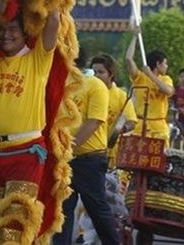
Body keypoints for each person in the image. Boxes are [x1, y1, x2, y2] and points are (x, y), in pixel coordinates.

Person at [0, 10, 59, 244]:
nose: (6, 35)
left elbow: (53, 20)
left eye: (13, 29)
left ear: (25, 32)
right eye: (3, 29)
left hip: (26, 153)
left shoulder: (37, 59)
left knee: (15, 225)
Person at [54, 53, 120, 245]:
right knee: (62, 212)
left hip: (89, 160)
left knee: (97, 209)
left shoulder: (95, 85)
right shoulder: (61, 85)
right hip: (65, 159)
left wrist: (70, 147)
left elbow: (94, 121)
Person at [125, 33, 174, 145]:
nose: (167, 66)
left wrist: (150, 75)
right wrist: (135, 36)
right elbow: (128, 59)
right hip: (140, 125)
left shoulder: (166, 79)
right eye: (165, 63)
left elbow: (168, 91)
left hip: (159, 127)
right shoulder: (140, 77)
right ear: (158, 64)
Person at [89, 54, 137, 167]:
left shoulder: (121, 96)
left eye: (101, 72)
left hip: (110, 153)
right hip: (88, 150)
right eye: (94, 72)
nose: (96, 76)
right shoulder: (88, 93)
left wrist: (119, 129)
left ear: (111, 74)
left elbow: (132, 121)